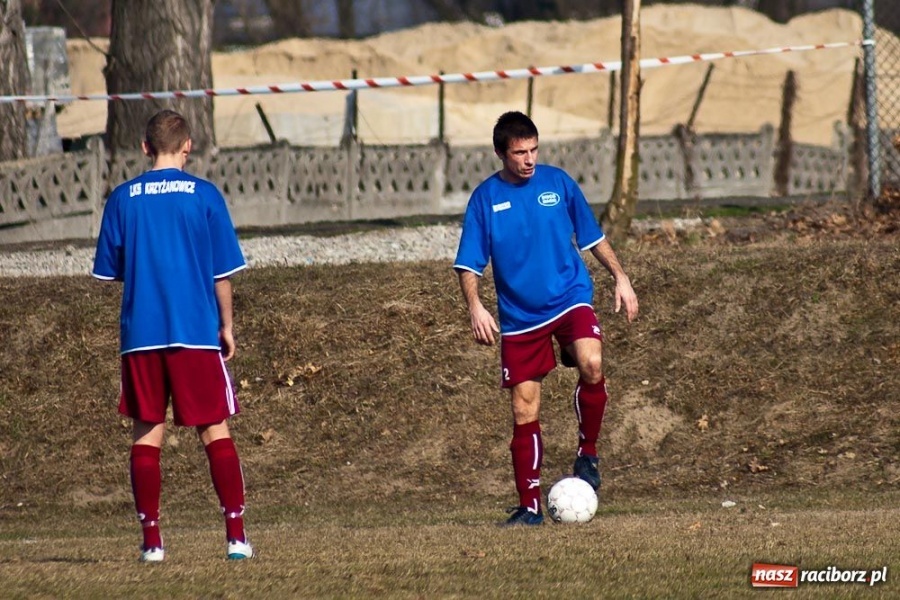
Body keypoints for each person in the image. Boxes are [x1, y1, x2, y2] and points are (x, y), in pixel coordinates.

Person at [453, 111, 639, 526]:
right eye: (520, 152)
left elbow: (593, 237)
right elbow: (469, 263)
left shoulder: (558, 183)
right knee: (524, 407)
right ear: (501, 153)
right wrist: (475, 306)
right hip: (520, 317)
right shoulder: (485, 199)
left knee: (592, 362)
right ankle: (530, 507)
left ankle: (587, 453)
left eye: (534, 149)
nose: (529, 159)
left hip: (570, 297)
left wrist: (621, 278)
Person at [92, 109, 253, 561]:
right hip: (195, 332)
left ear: (144, 147)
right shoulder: (204, 195)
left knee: (147, 433)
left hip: (141, 334)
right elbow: (222, 273)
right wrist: (227, 325)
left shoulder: (123, 198)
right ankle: (236, 537)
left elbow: (113, 269)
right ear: (188, 146)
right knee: (213, 427)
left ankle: (152, 544)